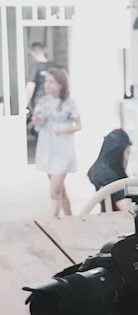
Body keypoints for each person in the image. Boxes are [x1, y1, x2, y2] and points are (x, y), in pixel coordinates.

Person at [32, 67, 81, 217]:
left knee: (54, 191)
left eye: (51, 82)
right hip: (47, 149)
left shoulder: (69, 103)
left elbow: (79, 125)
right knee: (60, 190)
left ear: (60, 84)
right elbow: (37, 124)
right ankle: (70, 218)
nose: (47, 85)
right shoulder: (43, 102)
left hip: (63, 150)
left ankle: (51, 222)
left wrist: (63, 130)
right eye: (46, 81)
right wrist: (36, 121)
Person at [87, 129, 132, 212]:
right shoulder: (108, 177)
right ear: (117, 154)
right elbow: (128, 210)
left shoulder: (99, 169)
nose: (128, 158)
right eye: (127, 153)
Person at [26, 42, 56, 111]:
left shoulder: (35, 66)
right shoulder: (53, 66)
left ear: (32, 53)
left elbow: (30, 87)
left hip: (40, 102)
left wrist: (24, 105)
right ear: (44, 50)